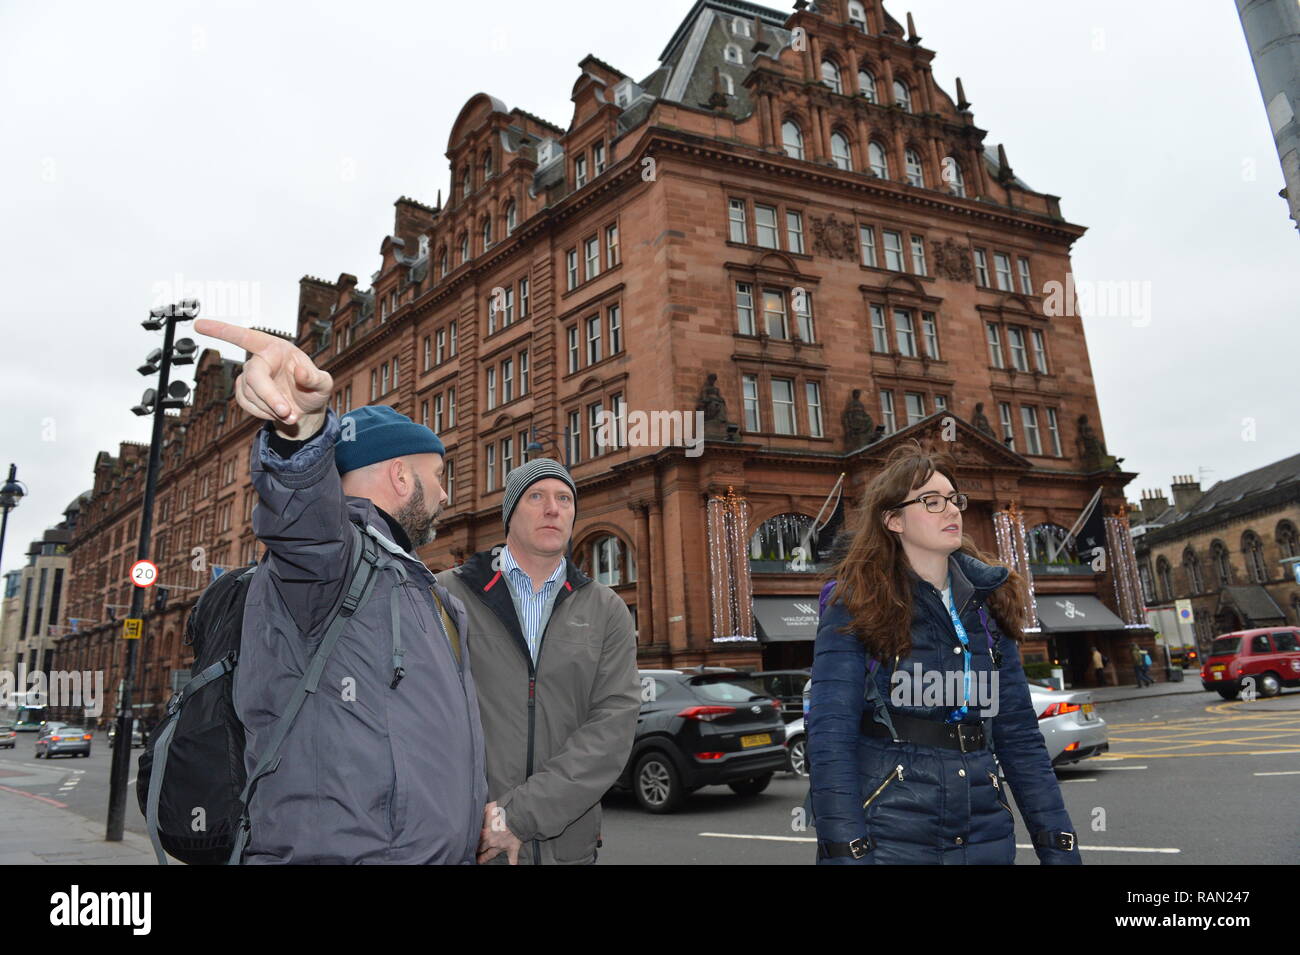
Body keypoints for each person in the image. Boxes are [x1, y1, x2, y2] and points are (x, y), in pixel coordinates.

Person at [194, 318, 487, 864]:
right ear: (402, 476)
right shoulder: (330, 564)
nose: (447, 495)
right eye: (439, 474)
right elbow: (300, 514)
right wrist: (300, 436)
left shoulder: (426, 590)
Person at [808, 440, 1082, 864]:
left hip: (985, 831)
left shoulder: (988, 602)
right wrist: (845, 852)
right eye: (931, 501)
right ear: (894, 520)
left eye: (954, 500)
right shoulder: (855, 601)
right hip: (892, 831)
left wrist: (1059, 847)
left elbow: (1020, 738)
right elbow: (830, 738)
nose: (952, 510)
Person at [436, 458, 639, 865]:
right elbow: (423, 716)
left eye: (564, 498)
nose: (553, 509)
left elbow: (612, 726)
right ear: (509, 513)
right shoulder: (447, 595)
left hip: (568, 847)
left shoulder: (606, 608)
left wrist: (519, 815)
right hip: (471, 841)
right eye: (536, 496)